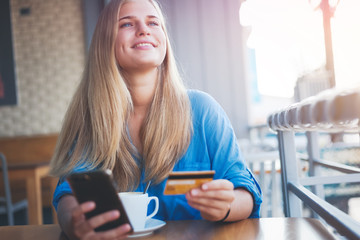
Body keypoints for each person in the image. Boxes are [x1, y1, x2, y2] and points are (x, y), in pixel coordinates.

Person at [49, 0, 262, 239]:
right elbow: (68, 196)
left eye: (153, 22)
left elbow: (246, 191)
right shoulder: (91, 120)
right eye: (127, 23)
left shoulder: (203, 111)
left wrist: (228, 205)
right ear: (105, 41)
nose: (144, 29)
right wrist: (74, 223)